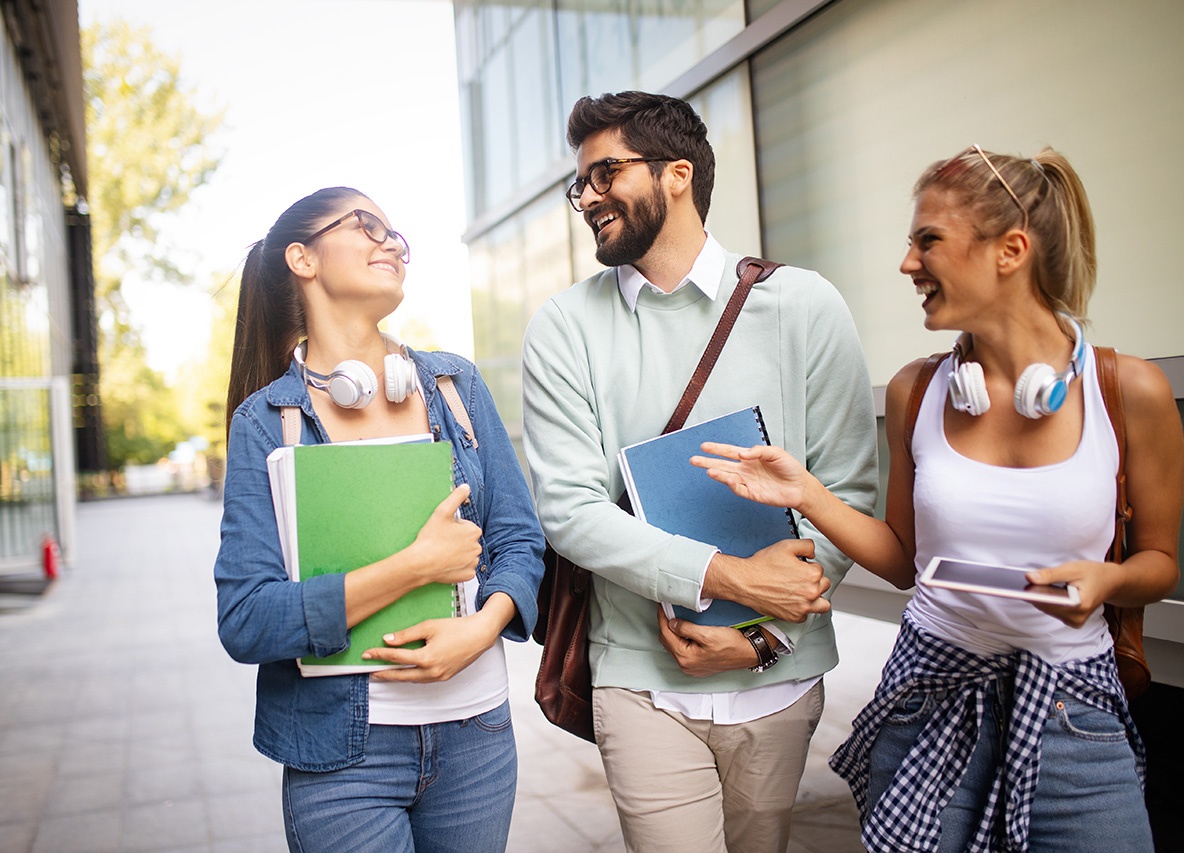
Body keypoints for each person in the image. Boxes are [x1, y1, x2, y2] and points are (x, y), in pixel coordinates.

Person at [693, 146, 1184, 851]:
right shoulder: (916, 391)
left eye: (929, 241)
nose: (907, 263)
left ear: (1010, 250)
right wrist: (807, 492)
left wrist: (1111, 578)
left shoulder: (1127, 392)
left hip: (1073, 711)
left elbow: (1161, 561)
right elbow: (903, 561)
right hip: (931, 695)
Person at [520, 91, 878, 853]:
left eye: (604, 173)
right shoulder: (563, 326)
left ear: (677, 174)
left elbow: (848, 494)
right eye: (578, 183)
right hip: (638, 679)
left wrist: (762, 639)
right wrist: (734, 580)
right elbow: (570, 509)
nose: (586, 198)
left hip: (779, 677)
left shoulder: (806, 306)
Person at [213, 187, 544, 853]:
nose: (392, 242)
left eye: (397, 234)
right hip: (342, 756)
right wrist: (413, 567)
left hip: (476, 736)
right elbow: (246, 617)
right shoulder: (265, 423)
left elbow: (519, 538)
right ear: (301, 257)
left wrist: (481, 629)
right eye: (367, 225)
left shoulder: (456, 387)